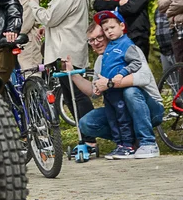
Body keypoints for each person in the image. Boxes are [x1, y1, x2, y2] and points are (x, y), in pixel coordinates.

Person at [25, 0, 95, 148]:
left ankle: (89, 138)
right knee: (70, 96)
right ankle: (88, 137)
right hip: (65, 50)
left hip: (68, 52)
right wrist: (45, 28)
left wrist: (32, 2)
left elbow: (49, 17)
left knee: (77, 96)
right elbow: (57, 20)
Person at [68, 22, 164, 160]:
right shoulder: (101, 60)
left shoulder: (129, 48)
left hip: (150, 110)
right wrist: (73, 74)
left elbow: (144, 77)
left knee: (130, 92)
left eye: (100, 37)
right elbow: (94, 92)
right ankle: (127, 145)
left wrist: (110, 83)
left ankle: (148, 143)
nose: (96, 43)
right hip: (121, 110)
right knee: (86, 123)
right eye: (92, 40)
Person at [93, 10, 142, 153]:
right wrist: (98, 85)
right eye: (106, 30)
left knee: (123, 118)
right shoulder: (110, 46)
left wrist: (122, 73)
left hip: (119, 90)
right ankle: (119, 145)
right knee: (112, 118)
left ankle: (128, 145)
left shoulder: (127, 44)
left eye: (112, 28)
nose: (109, 32)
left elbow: (136, 62)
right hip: (108, 92)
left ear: (122, 26)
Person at [2, 0, 41, 69]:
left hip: (27, 42)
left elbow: (27, 21)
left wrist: (9, 34)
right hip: (9, 43)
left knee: (30, 75)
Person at [154, 0, 177, 83]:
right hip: (163, 50)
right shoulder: (157, 10)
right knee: (170, 81)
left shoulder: (176, 6)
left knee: (180, 78)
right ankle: (175, 99)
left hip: (175, 48)